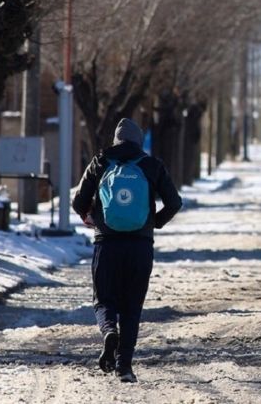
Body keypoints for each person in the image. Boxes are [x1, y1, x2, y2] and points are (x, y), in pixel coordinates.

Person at [72, 118, 182, 383]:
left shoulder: (101, 162)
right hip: (140, 246)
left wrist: (92, 217)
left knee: (104, 300)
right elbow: (174, 202)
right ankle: (124, 367)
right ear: (138, 141)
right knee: (132, 307)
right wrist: (154, 222)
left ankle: (109, 331)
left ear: (116, 140)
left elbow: (78, 202)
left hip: (106, 243)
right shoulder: (151, 165)